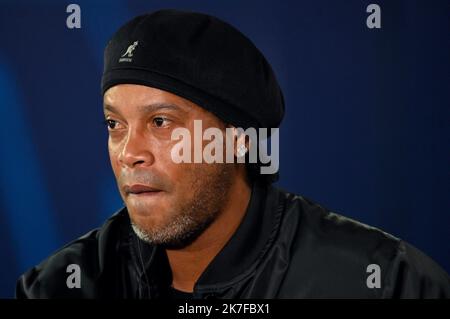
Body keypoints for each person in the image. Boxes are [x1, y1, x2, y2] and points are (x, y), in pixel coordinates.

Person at [16, 9, 449, 298]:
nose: (129, 153)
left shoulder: (389, 283)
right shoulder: (58, 286)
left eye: (161, 122)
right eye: (115, 124)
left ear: (239, 137)